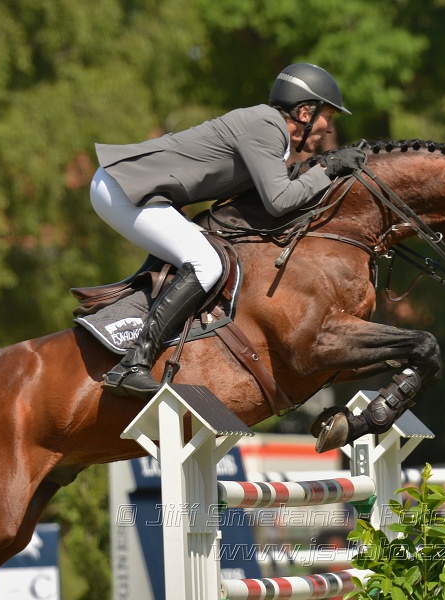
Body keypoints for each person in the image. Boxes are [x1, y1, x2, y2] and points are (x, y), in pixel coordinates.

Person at [90, 63, 366, 399]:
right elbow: (279, 201)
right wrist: (328, 168)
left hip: (136, 190)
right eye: (329, 118)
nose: (329, 129)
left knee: (199, 258)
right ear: (306, 112)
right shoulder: (268, 125)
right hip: (125, 189)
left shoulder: (269, 132)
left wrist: (323, 171)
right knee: (208, 263)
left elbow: (272, 195)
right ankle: (133, 364)